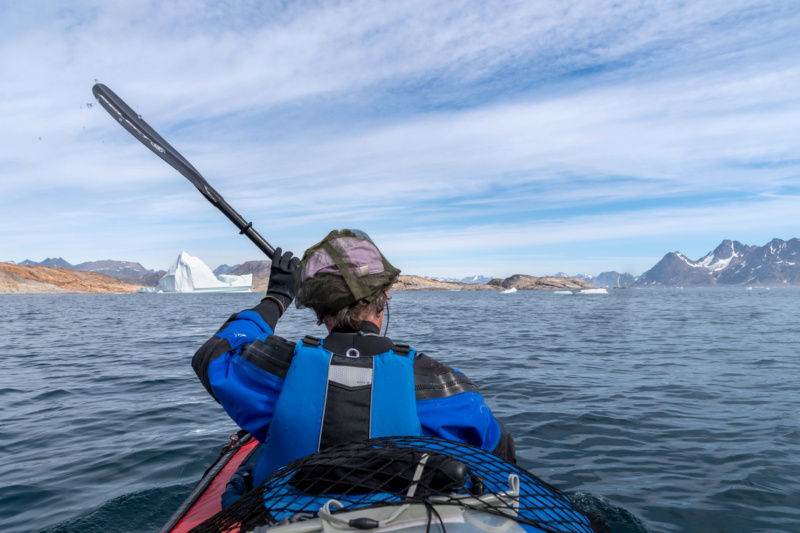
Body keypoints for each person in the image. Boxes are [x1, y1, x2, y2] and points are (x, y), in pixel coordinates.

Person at [192, 229, 515, 503]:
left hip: (281, 518)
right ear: (384, 298)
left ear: (319, 309)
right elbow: (499, 456)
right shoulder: (448, 385)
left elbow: (215, 350)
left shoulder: (269, 370)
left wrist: (276, 297)